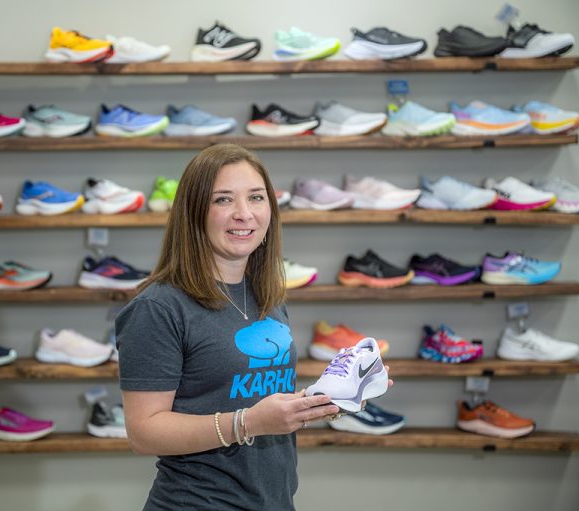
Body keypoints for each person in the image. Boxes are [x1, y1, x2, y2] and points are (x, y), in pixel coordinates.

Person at [116, 144, 390, 510]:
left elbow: (260, 401)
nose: (244, 214)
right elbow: (143, 433)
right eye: (223, 199)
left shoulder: (265, 295)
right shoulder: (159, 307)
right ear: (194, 211)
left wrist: (324, 403)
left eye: (256, 197)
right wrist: (247, 423)